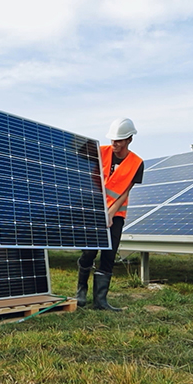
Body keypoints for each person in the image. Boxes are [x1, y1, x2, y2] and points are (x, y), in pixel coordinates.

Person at [76, 118, 144, 311]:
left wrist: (111, 214)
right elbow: (74, 151)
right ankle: (81, 293)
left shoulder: (136, 163)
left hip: (116, 213)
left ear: (129, 139)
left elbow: (125, 192)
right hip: (93, 209)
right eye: (113, 139)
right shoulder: (101, 151)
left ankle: (100, 300)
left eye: (120, 140)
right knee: (89, 251)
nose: (115, 143)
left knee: (109, 254)